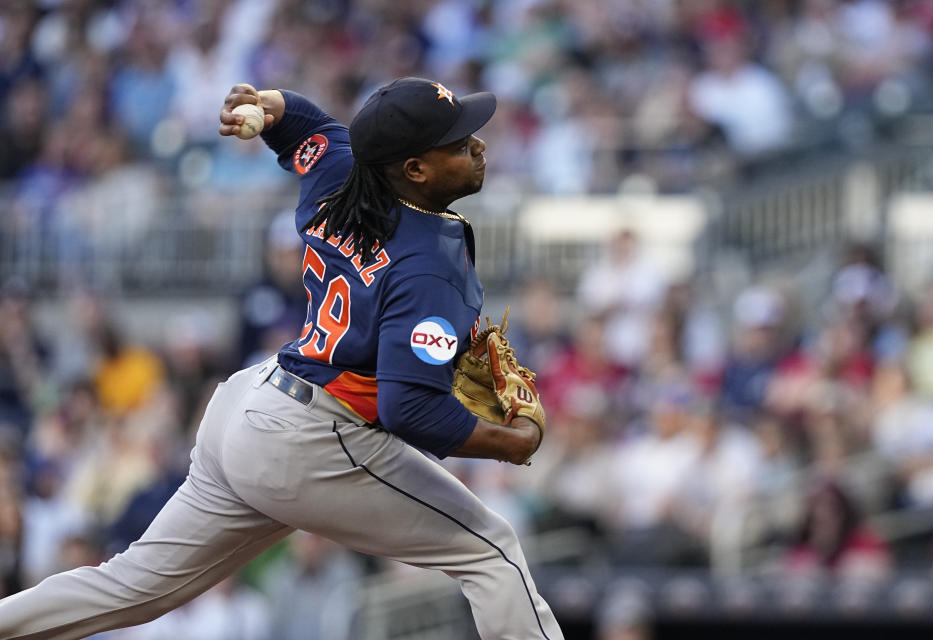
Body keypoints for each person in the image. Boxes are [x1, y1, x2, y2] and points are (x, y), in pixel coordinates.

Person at [0, 77, 562, 639]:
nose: (480, 147)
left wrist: (273, 107)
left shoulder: (344, 174)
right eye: (461, 144)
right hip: (311, 440)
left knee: (132, 586)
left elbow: (311, 127)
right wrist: (511, 444)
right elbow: (407, 409)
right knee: (492, 552)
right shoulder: (426, 266)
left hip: (251, 406)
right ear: (414, 170)